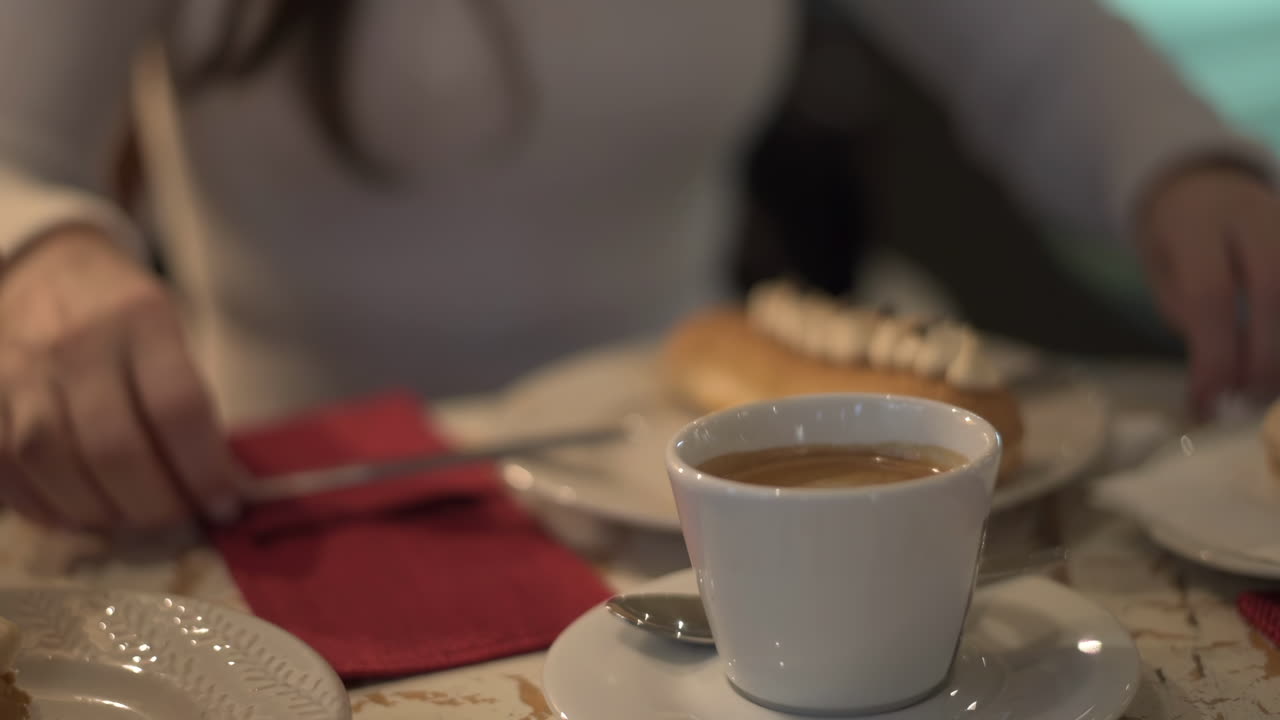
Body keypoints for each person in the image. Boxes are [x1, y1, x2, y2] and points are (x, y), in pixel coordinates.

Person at [0, 0, 1277, 532]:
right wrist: (37, 249)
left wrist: (1178, 163)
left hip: (695, 520)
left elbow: (1034, 47)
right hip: (306, 513)